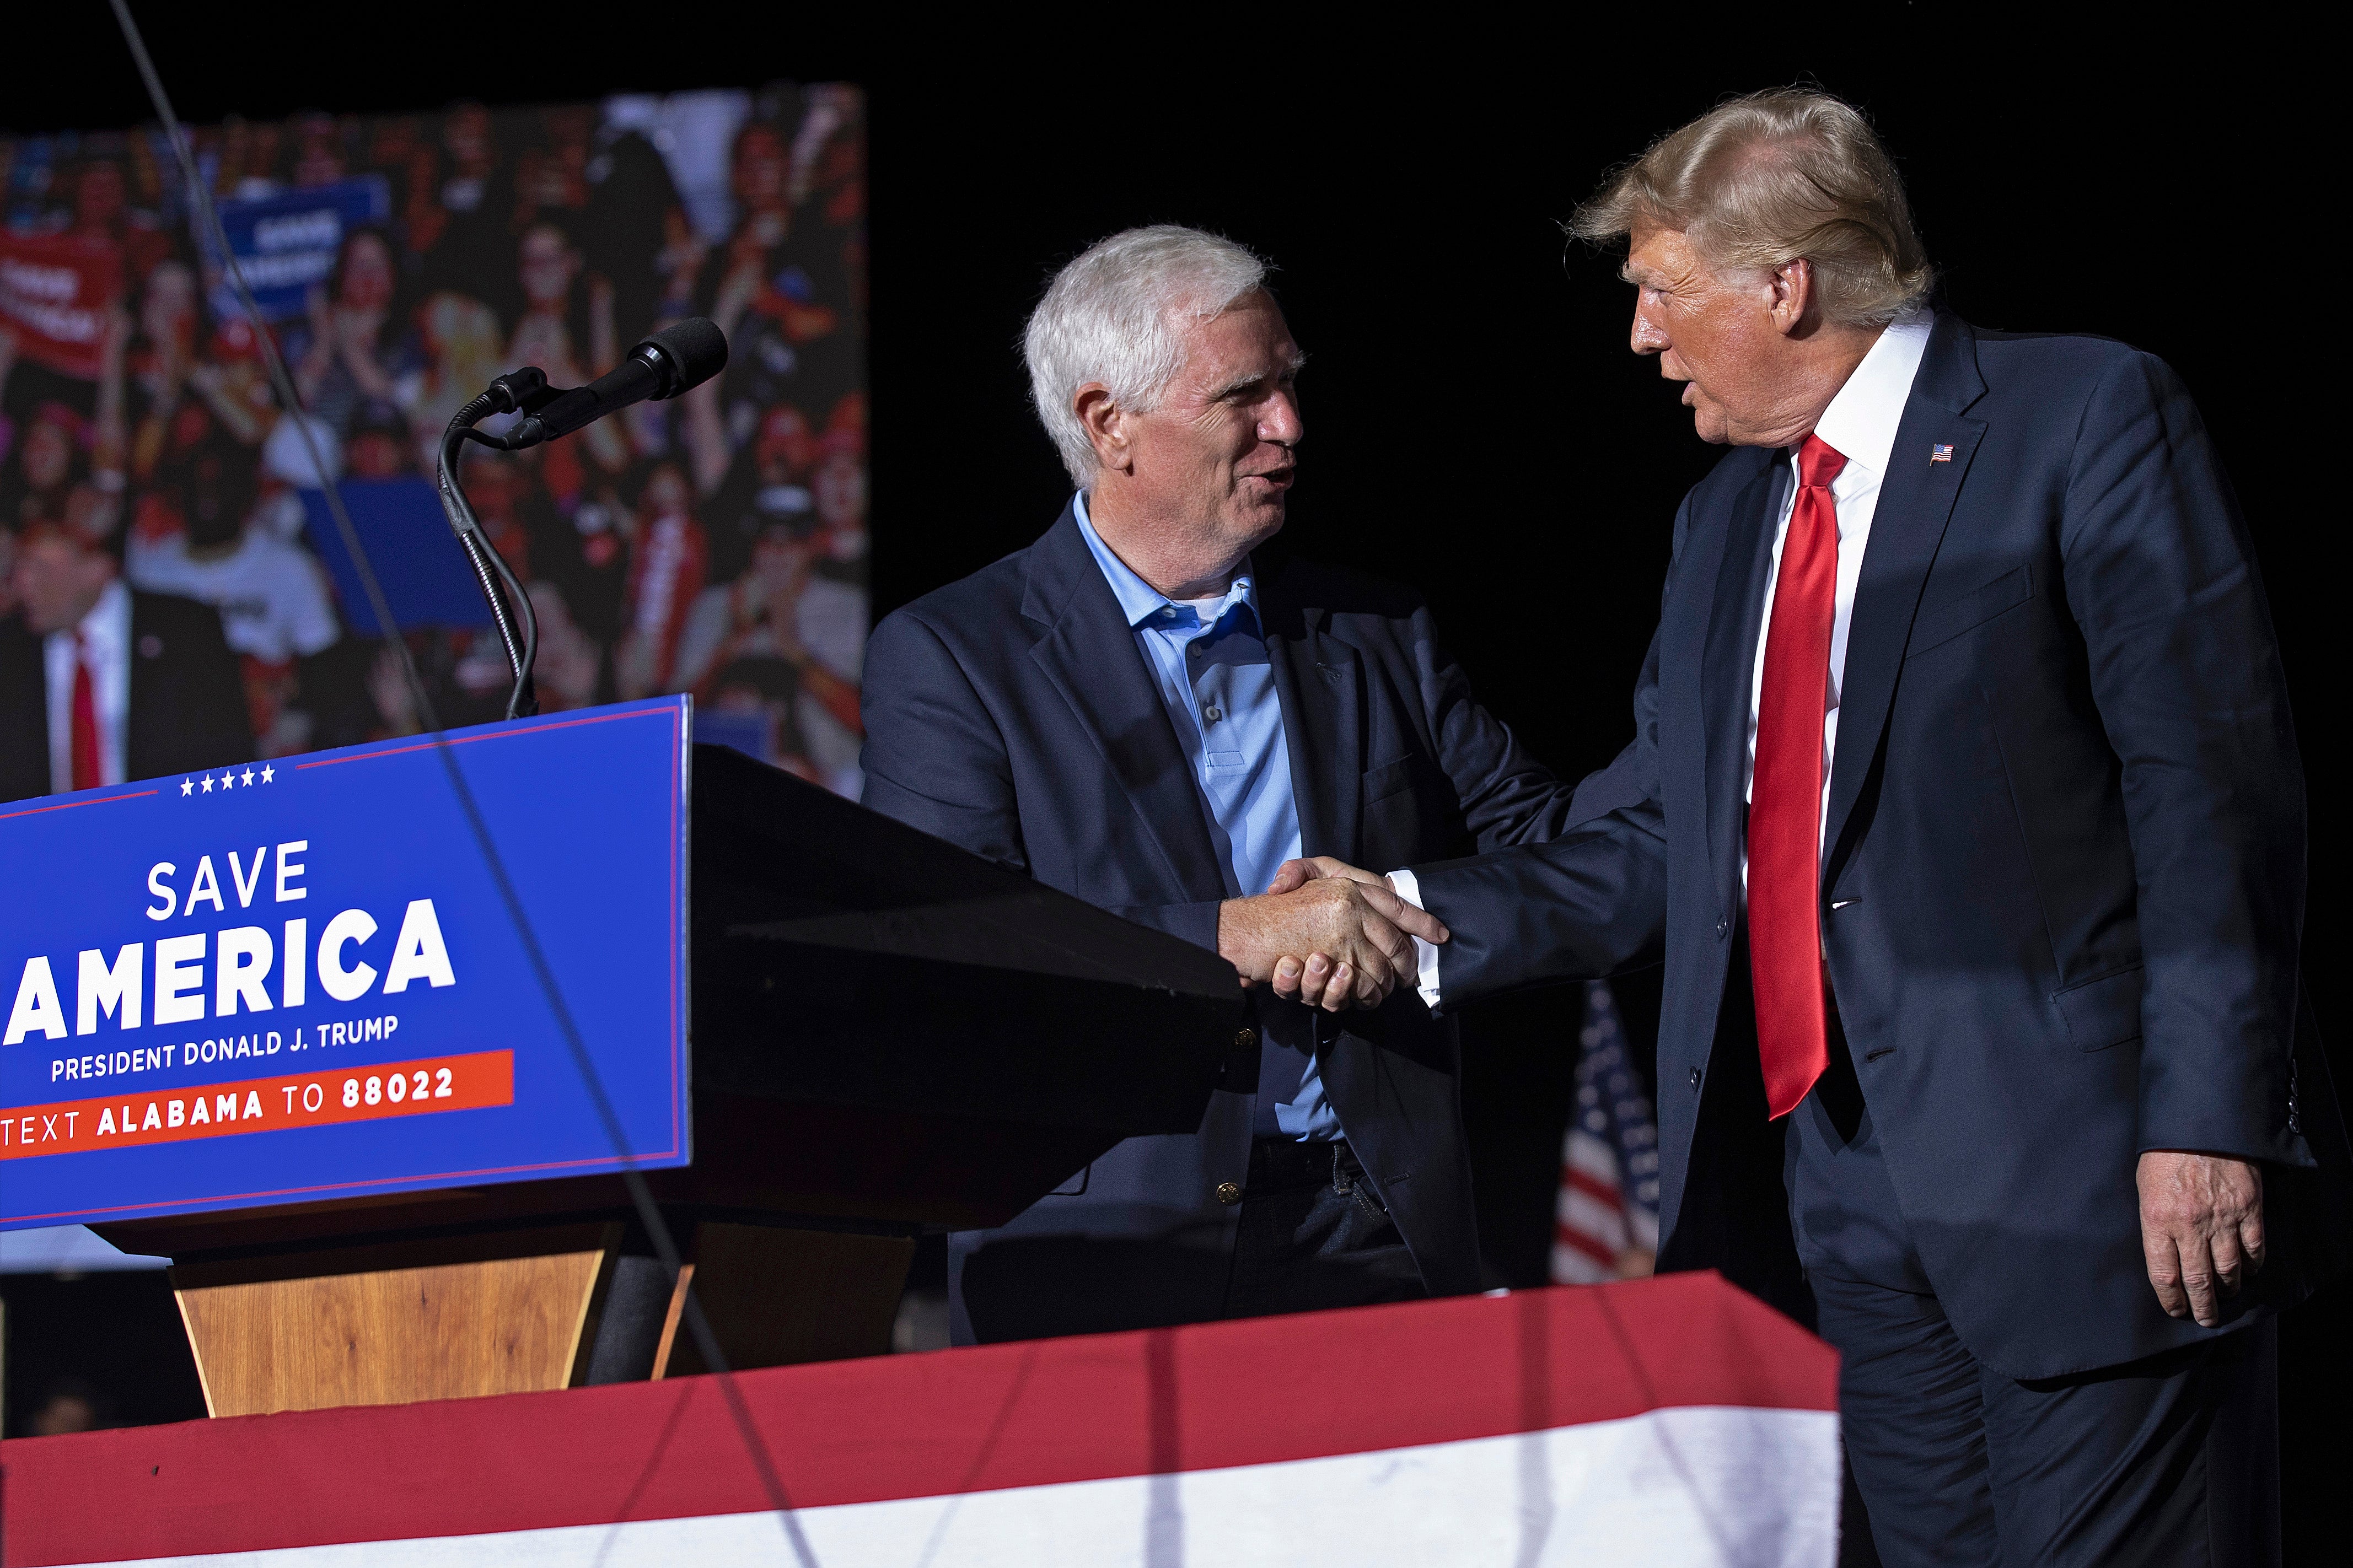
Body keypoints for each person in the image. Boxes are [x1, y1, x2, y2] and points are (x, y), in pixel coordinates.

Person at [1273, 90, 2342, 1566]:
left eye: (1658, 292)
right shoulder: (1722, 525)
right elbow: (1657, 840)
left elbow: (2208, 791)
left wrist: (2207, 1116)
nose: (1640, 338)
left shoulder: (2080, 413)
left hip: (2098, 1183)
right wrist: (1400, 912)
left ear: (1784, 283)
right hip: (1845, 1196)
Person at [859, 226, 1582, 1344]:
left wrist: (1711, 724)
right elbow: (958, 948)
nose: (1290, 427)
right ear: (1109, 425)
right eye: (1244, 396)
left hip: (1375, 1228)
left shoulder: (1374, 630)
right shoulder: (955, 654)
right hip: (1100, 1254)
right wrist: (1232, 934)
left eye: (1289, 386)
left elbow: (1551, 854)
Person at [1, 516, 250, 802]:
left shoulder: (185, 630)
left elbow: (226, 753)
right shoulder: (11, 652)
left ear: (98, 568)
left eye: (40, 569)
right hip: (49, 840)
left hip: (166, 831)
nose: (22, 585)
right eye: (19, 569)